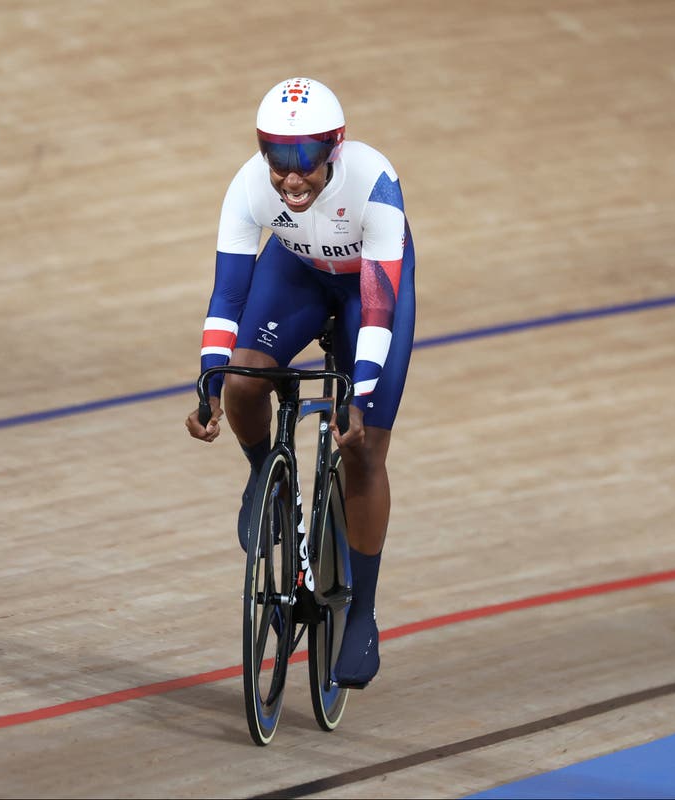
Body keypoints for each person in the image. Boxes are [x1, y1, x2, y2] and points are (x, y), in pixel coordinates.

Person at [185, 77, 415, 688]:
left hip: (371, 285)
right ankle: (265, 470)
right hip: (298, 274)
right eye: (276, 158)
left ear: (334, 150)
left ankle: (362, 613)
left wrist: (358, 395)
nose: (290, 178)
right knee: (242, 376)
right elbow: (229, 292)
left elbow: (378, 306)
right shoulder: (246, 187)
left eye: (304, 159)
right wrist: (208, 377)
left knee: (364, 449)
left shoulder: (375, 182)